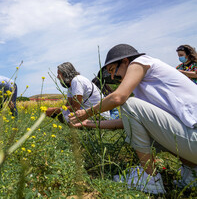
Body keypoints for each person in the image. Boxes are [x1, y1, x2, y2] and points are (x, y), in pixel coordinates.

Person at [69, 44, 197, 194]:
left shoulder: (141, 62)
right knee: (133, 109)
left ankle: (150, 179)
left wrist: (86, 113)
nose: (111, 77)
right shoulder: (147, 86)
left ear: (125, 61)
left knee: (128, 103)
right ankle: (192, 174)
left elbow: (118, 98)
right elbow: (130, 122)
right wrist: (89, 123)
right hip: (192, 139)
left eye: (112, 70)